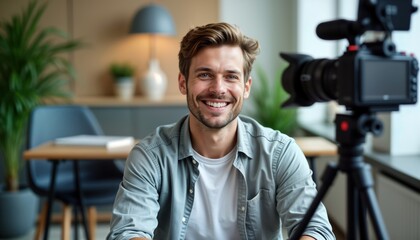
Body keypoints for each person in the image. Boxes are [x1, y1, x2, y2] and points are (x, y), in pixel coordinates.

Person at [107, 22, 335, 240]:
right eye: (205, 74)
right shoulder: (150, 156)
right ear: (183, 83)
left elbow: (316, 229)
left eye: (231, 76)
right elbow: (127, 232)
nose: (218, 88)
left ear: (246, 87)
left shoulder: (279, 153)